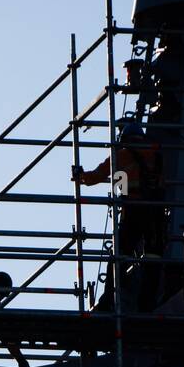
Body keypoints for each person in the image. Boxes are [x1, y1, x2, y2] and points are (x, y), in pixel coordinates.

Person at [72, 121, 166, 312]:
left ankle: (108, 299)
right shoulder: (156, 155)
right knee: (152, 257)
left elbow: (98, 176)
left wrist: (80, 176)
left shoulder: (121, 155)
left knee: (119, 255)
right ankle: (147, 304)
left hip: (133, 210)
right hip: (155, 213)